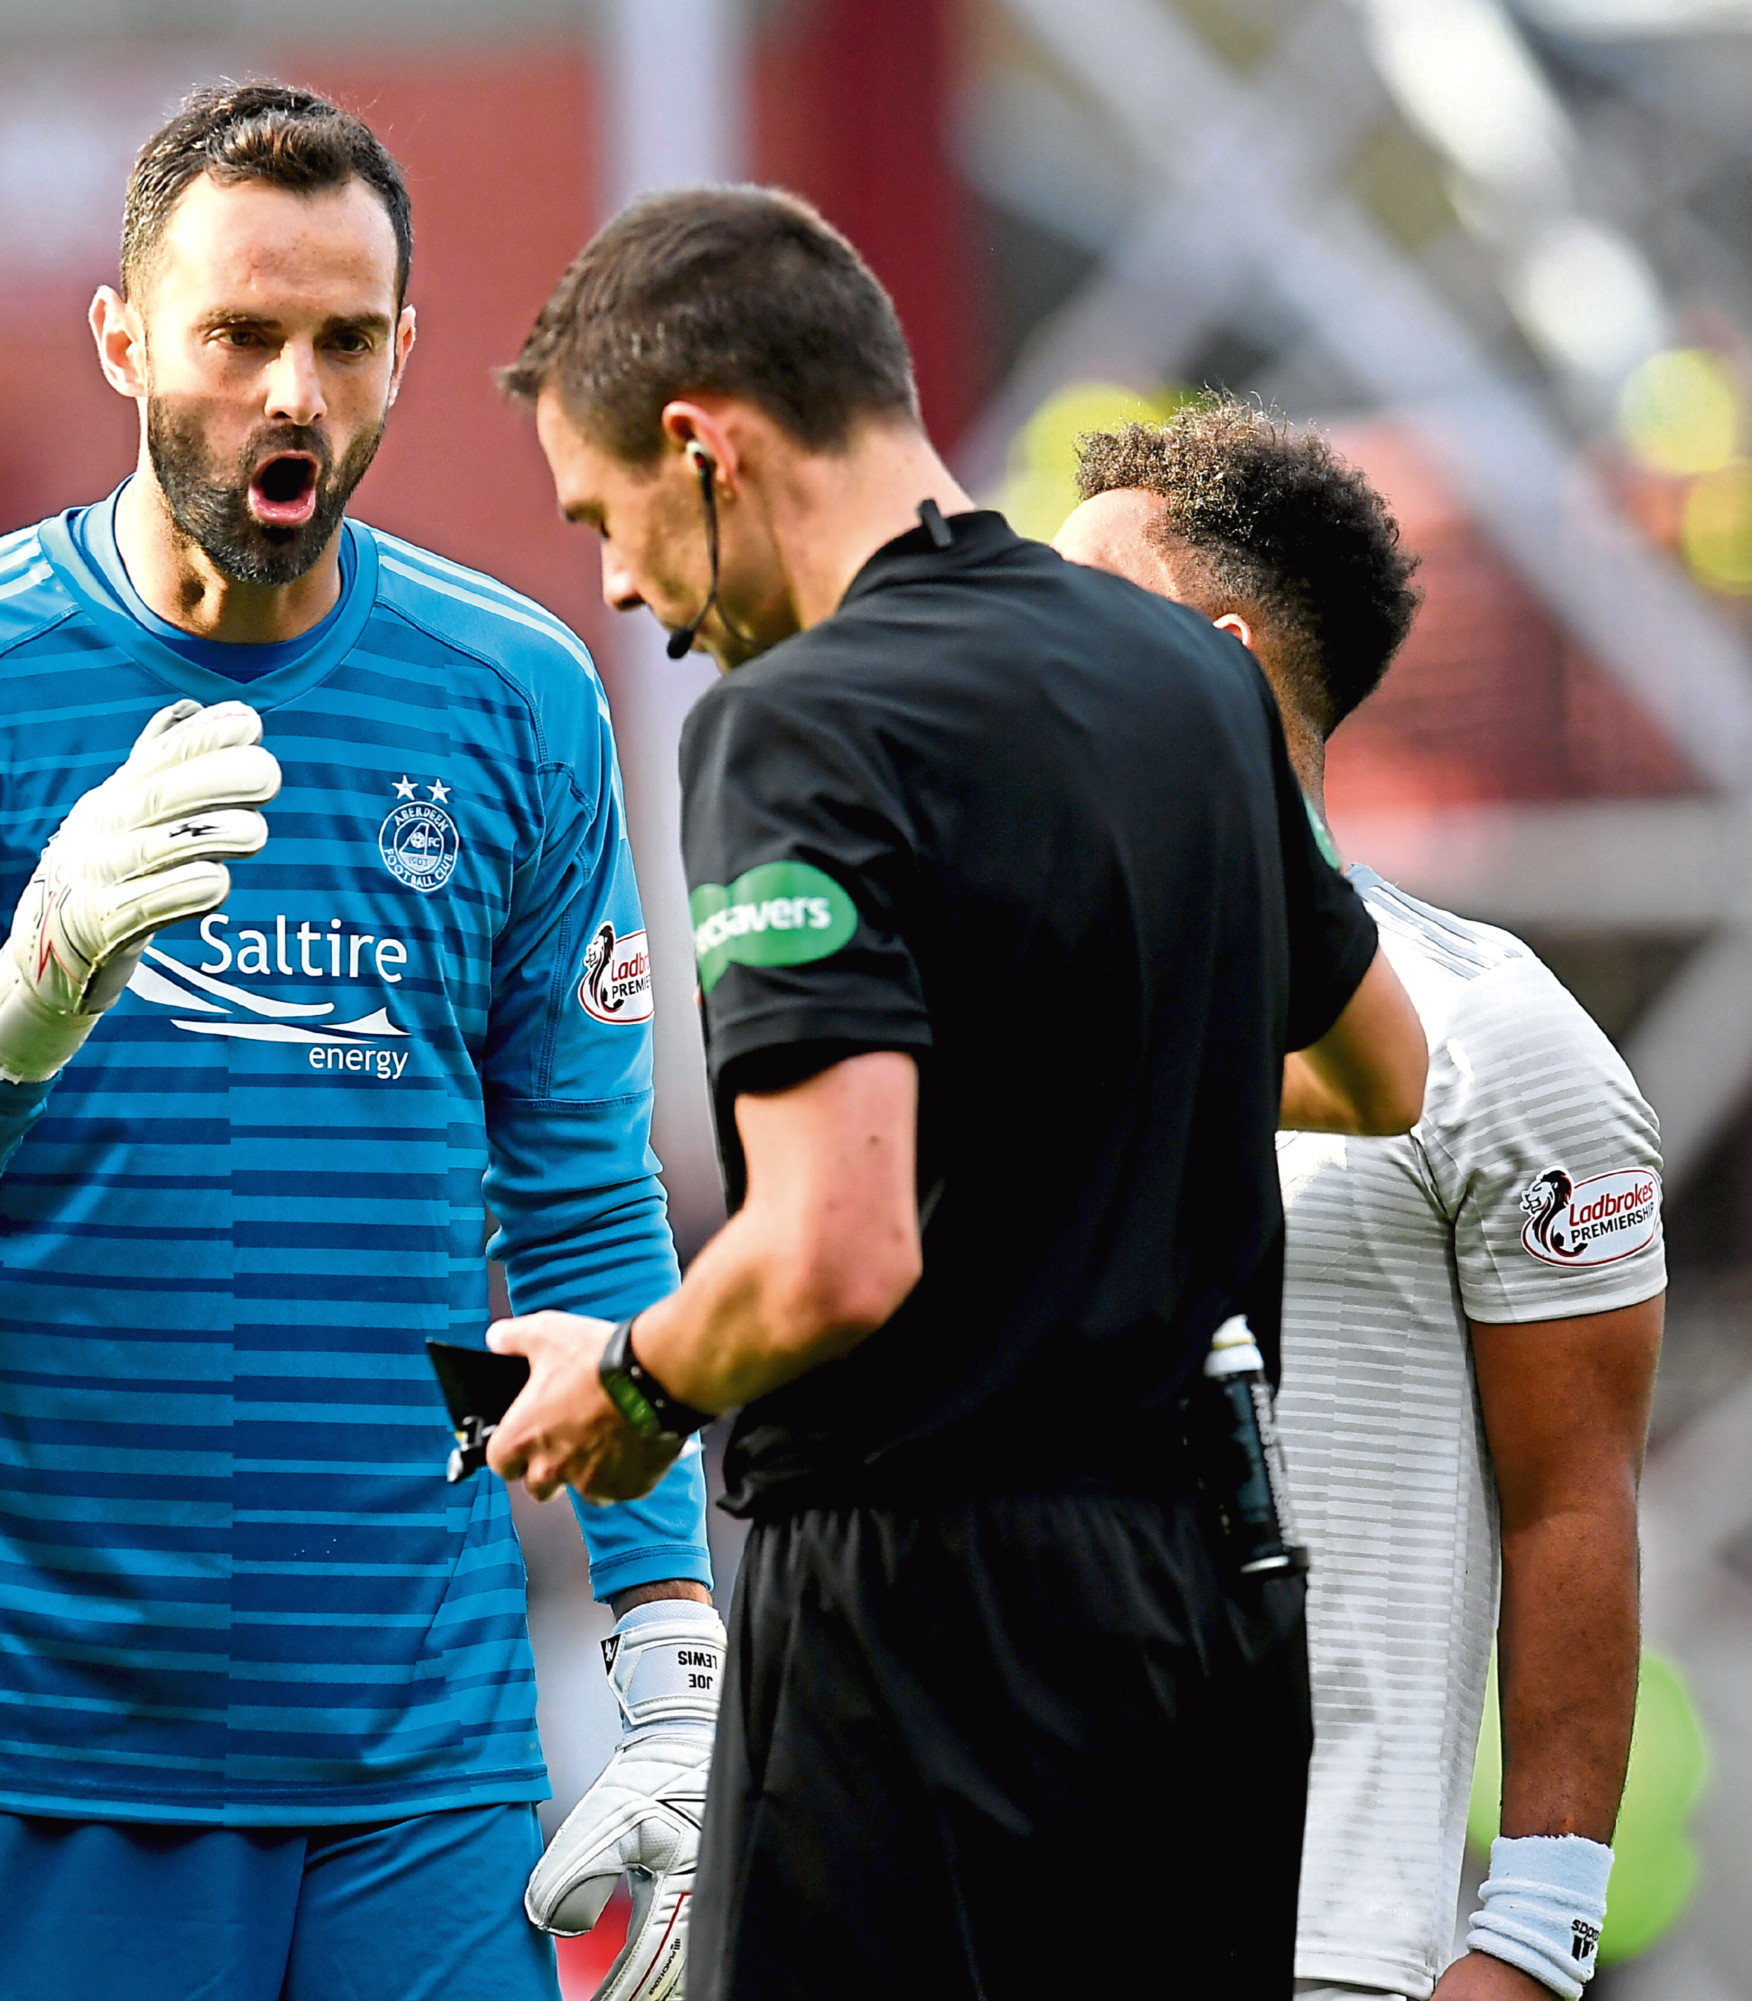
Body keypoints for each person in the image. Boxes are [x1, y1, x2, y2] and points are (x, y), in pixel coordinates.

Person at [0, 83, 719, 2001]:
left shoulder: (515, 698)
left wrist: (663, 1637)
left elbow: (583, 1198)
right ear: (123, 339)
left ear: (403, 355)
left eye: (343, 341)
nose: (293, 390)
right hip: (35, 1749)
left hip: (424, 1751)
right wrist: (30, 994)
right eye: (238, 335)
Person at [484, 186, 1431, 2000]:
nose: (618, 586)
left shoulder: (796, 726)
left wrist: (630, 1381)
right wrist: (1071, 1091)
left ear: (705, 449)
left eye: (605, 517)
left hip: (923, 1630)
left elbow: (833, 1253)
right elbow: (1380, 1069)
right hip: (1206, 1605)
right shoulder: (1191, 675)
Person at [1056, 401, 1663, 2001]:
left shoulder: (1496, 1036)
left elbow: (1574, 1504)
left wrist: (1533, 1941)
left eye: (1076, 619)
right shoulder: (981, 1016)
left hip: (1319, 1944)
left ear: (1227, 670)